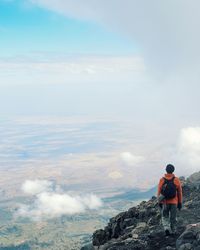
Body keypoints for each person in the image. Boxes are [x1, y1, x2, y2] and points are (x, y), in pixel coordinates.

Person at [157, 164, 182, 236]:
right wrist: (180, 202)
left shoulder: (162, 180)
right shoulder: (176, 179)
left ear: (166, 170)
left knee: (165, 216)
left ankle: (166, 228)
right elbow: (180, 192)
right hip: (174, 202)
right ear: (173, 170)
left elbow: (159, 192)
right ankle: (173, 230)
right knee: (173, 217)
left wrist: (159, 202)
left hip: (165, 202)